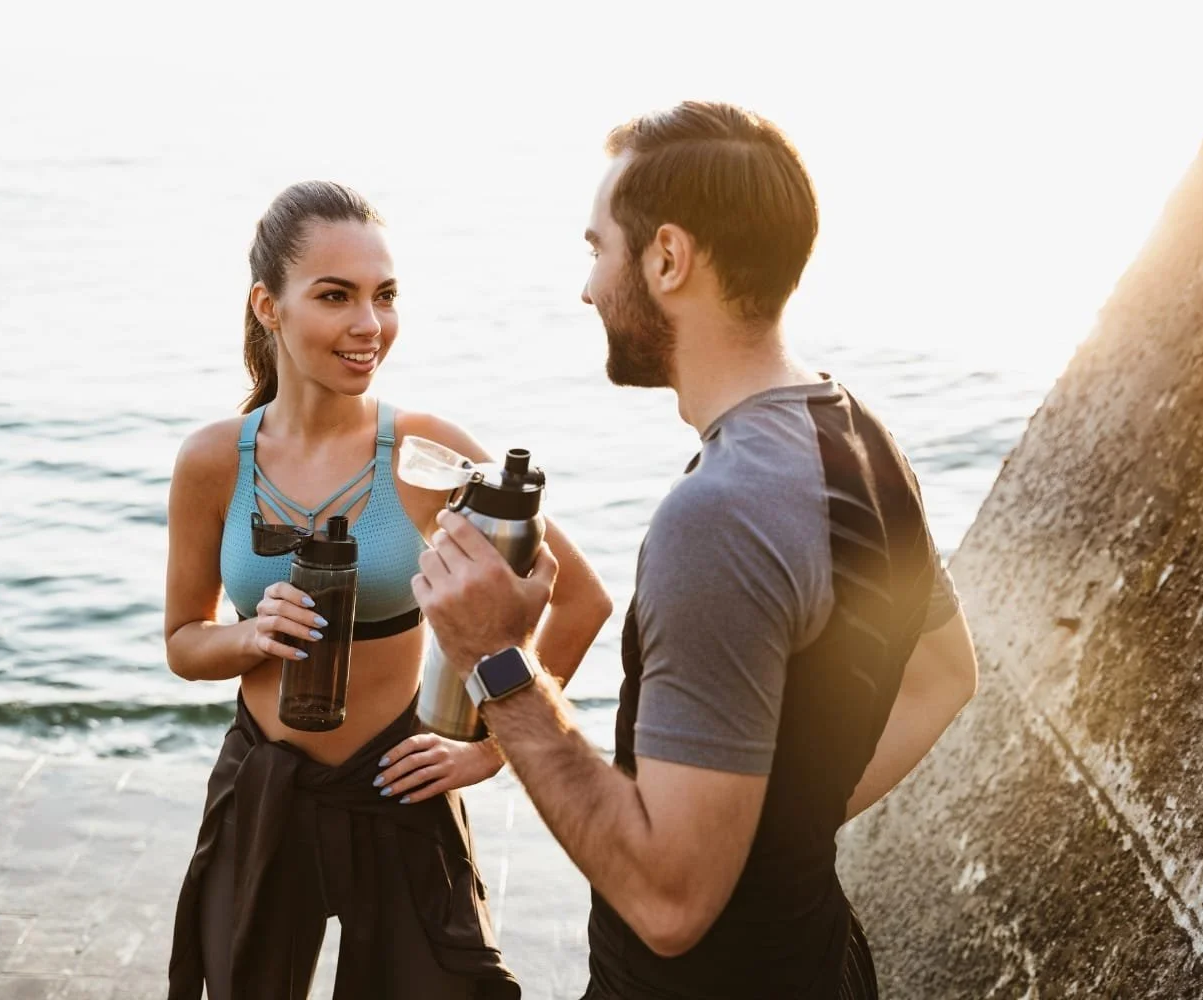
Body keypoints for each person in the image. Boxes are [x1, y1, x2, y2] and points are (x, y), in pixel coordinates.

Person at [414, 102, 980, 999]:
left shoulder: (717, 516)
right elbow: (944, 678)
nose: (588, 289)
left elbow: (670, 905)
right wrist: (766, 839)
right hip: (821, 963)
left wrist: (497, 659)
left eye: (598, 249)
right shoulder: (862, 438)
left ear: (668, 259)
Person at [161, 180, 613, 1000]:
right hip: (264, 787)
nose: (370, 324)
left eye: (386, 295)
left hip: (400, 785)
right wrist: (250, 636)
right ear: (268, 306)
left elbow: (580, 599)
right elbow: (184, 644)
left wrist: (492, 747)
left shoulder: (428, 454)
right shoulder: (213, 461)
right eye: (336, 296)